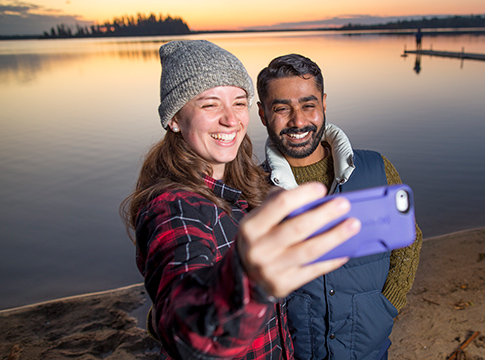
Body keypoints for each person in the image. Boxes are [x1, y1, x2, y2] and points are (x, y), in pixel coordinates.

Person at [121, 40, 361, 360]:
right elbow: (189, 330)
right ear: (175, 118)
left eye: (238, 102)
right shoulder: (174, 208)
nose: (231, 120)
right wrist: (248, 281)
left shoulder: (245, 186)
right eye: (210, 105)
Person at [256, 54, 423, 359]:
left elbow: (409, 239)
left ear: (323, 103)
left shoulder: (375, 168)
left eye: (308, 105)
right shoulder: (253, 189)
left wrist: (386, 306)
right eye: (282, 108)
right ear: (263, 114)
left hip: (369, 348)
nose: (298, 121)